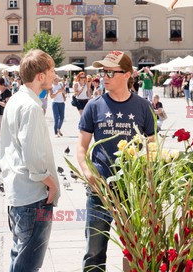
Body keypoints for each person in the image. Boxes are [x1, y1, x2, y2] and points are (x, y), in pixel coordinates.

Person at [77, 51, 155, 272]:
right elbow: (82, 146)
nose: (105, 76)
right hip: (100, 188)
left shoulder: (143, 107)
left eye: (111, 72)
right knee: (94, 249)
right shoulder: (94, 105)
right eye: (103, 71)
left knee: (133, 248)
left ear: (127, 75)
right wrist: (87, 172)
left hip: (132, 189)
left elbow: (151, 146)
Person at [0, 49, 60, 272]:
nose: (55, 75)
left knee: (19, 256)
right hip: (34, 196)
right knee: (29, 265)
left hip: (18, 194)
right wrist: (52, 185)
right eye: (52, 70)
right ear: (40, 76)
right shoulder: (32, 106)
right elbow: (33, 157)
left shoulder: (17, 99)